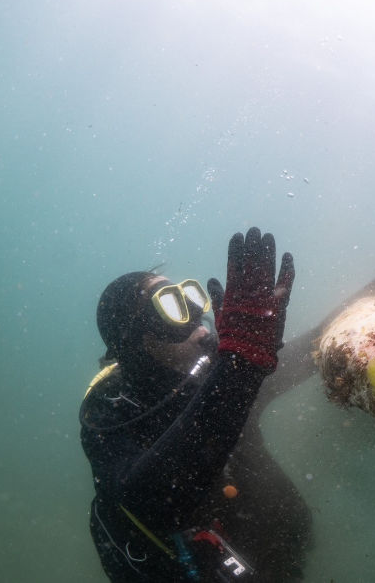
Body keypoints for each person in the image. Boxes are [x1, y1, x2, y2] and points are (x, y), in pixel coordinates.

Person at [80, 227, 310, 581]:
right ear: (134, 341)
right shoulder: (109, 415)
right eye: (171, 312)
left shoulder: (225, 372)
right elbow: (154, 502)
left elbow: (312, 353)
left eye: (191, 305)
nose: (202, 329)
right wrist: (240, 368)